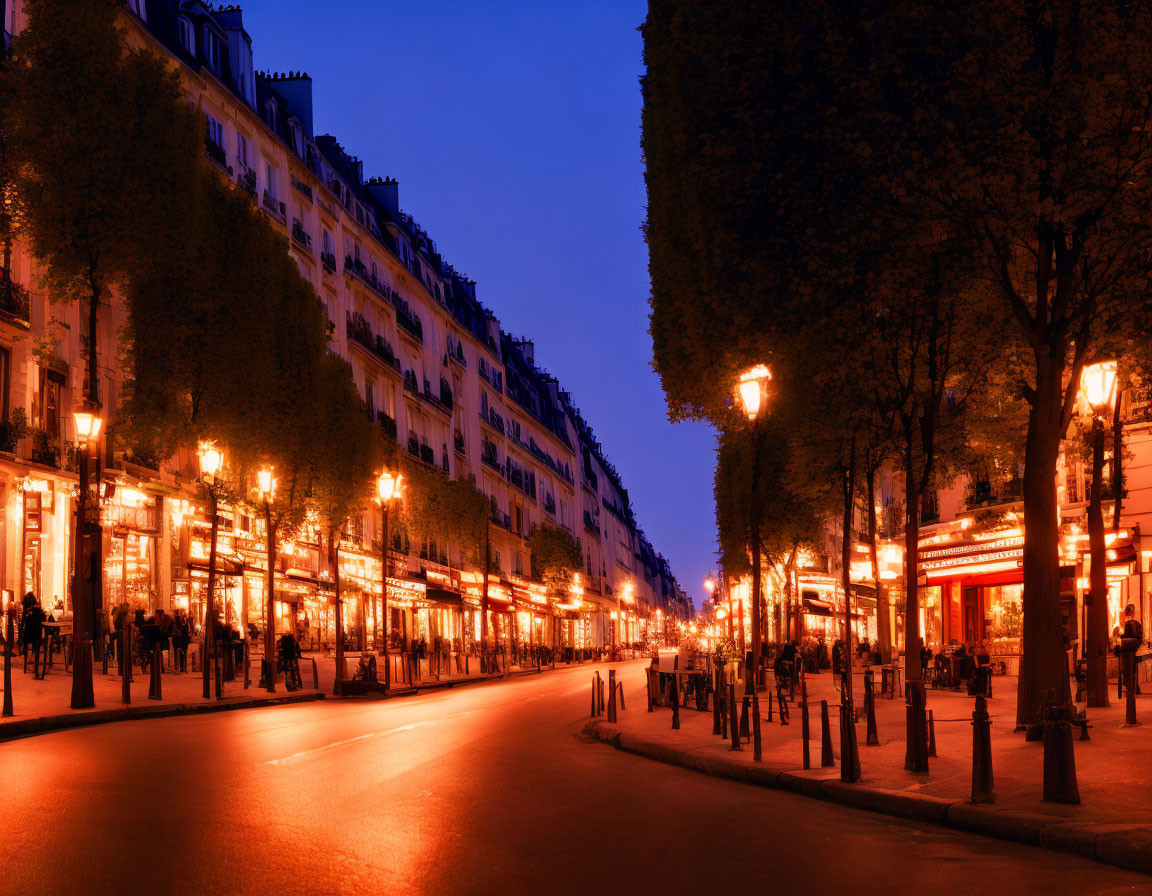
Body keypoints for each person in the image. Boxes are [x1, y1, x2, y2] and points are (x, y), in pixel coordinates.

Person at [171, 608, 191, 673]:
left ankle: (179, 667)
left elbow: (180, 630)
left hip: (179, 640)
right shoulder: (180, 621)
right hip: (181, 640)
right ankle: (182, 667)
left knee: (180, 653)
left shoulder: (177, 621)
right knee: (182, 653)